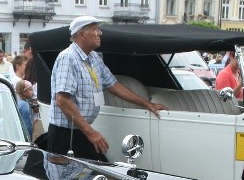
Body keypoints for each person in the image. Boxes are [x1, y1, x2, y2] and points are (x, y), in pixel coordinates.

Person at [47, 15, 165, 160]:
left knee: (96, 173)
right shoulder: (68, 58)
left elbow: (114, 85)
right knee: (66, 179)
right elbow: (62, 100)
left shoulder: (94, 58)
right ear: (82, 34)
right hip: (66, 135)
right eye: (95, 29)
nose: (100, 33)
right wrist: (91, 133)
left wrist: (148, 104)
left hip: (83, 131)